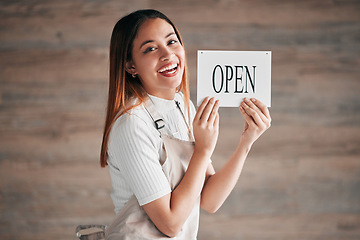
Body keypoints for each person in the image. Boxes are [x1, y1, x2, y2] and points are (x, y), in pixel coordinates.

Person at [100, 9, 271, 240]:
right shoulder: (132, 125)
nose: (168, 54)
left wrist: (247, 141)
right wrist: (202, 150)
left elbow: (210, 200)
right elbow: (169, 224)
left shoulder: (184, 106)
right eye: (150, 48)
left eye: (171, 41)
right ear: (131, 66)